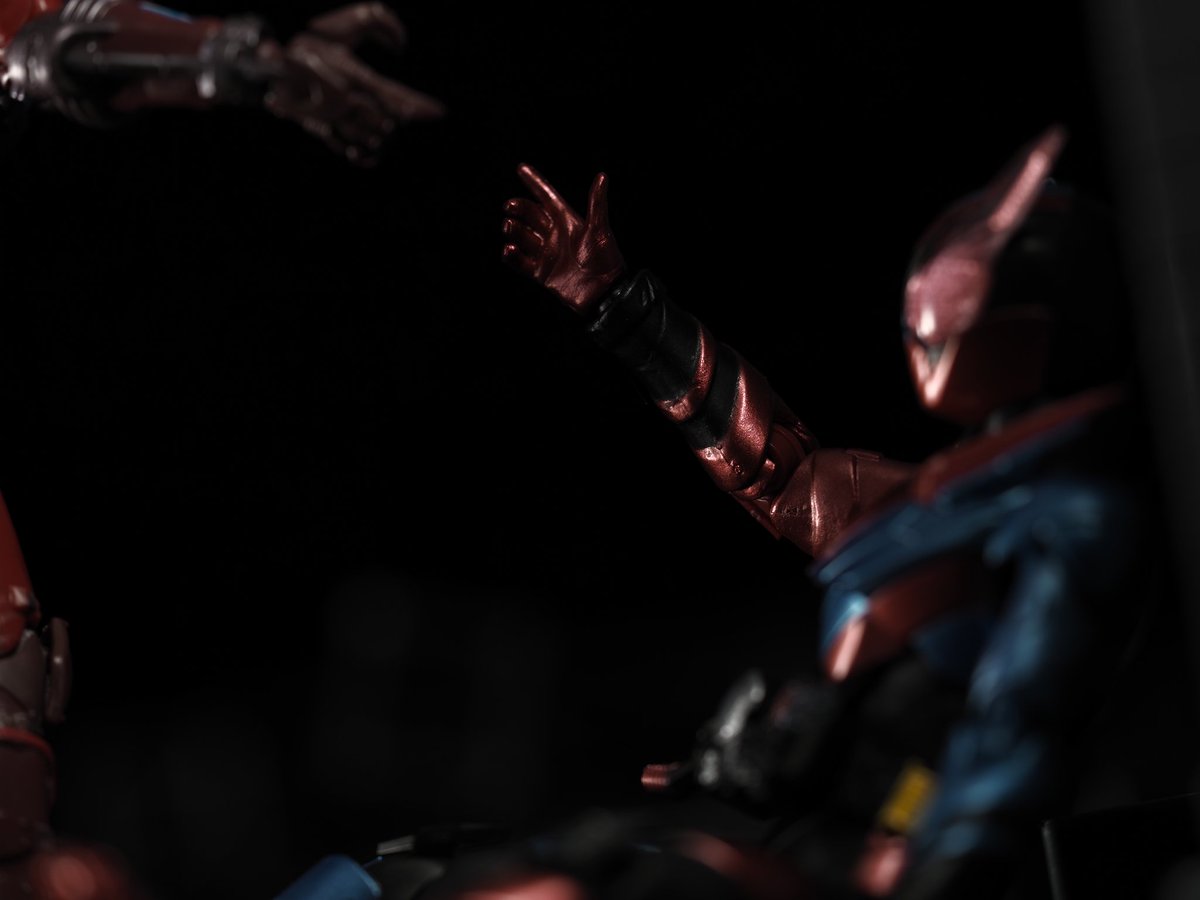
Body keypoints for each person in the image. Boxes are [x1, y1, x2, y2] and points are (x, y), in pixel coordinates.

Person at [488, 125, 1146, 900]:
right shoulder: (950, 502)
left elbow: (1016, 733)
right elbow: (781, 474)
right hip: (845, 846)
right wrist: (620, 308)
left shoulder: (1071, 518)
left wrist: (942, 865)